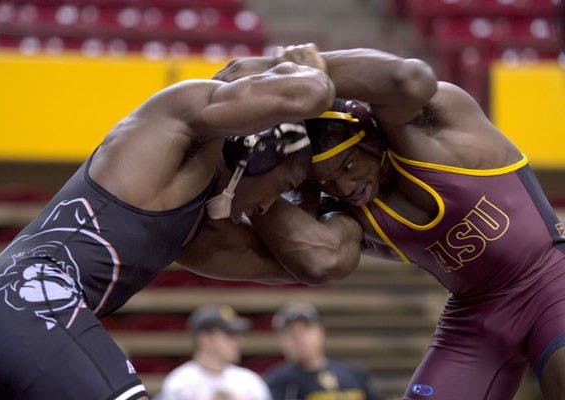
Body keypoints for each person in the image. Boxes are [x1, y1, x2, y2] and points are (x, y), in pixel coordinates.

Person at [0, 47, 366, 400]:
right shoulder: (174, 126)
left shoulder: (197, 234)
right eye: (285, 188)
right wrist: (306, 66)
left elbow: (318, 262)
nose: (268, 209)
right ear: (260, 151)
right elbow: (310, 91)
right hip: (29, 299)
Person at [217, 45, 565, 399]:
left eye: (348, 167)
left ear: (369, 137)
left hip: (550, 280)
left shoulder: (431, 126)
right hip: (476, 316)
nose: (346, 187)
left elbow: (409, 78)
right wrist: (249, 185)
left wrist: (287, 68)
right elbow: (323, 260)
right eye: (327, 182)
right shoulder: (345, 209)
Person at [265, 302, 381, 400]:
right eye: (291, 333)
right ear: (281, 340)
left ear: (321, 331)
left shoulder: (354, 373)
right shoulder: (279, 382)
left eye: (306, 329)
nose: (300, 338)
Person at [156, 304, 271, 400]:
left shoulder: (249, 381)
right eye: (230, 335)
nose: (238, 342)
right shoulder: (180, 384)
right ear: (205, 339)